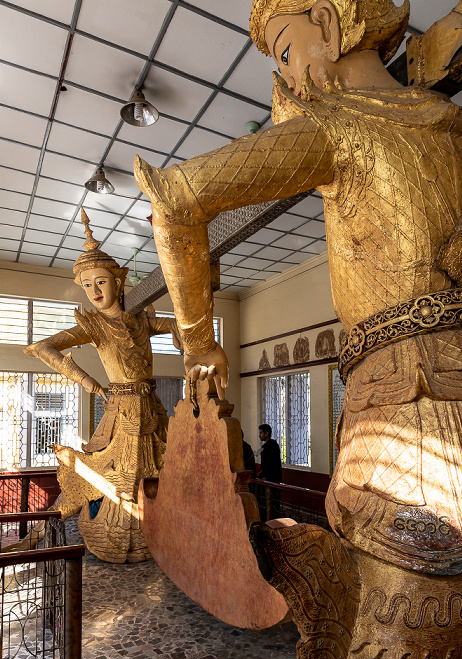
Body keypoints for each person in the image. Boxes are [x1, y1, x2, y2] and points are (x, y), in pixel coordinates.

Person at [134, 0, 462, 576]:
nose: (285, 77)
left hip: (408, 397)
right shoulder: (446, 122)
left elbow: (175, 200)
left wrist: (196, 340)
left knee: (397, 621)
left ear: (331, 27)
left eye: (286, 52)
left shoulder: (338, 127)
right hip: (421, 378)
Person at [23, 209, 181, 563]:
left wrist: (185, 332)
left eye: (102, 282)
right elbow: (41, 347)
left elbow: (173, 326)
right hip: (120, 406)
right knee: (109, 471)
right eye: (88, 284)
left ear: (118, 282)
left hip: (151, 405)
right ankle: (88, 529)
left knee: (165, 465)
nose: (95, 290)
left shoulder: (139, 318)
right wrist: (88, 381)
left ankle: (162, 530)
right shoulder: (94, 325)